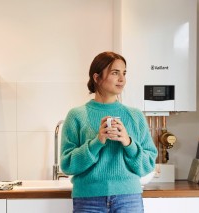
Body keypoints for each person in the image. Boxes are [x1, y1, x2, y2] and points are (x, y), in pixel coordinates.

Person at [60, 51, 158, 213]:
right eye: (115, 73)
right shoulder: (76, 115)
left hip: (128, 198)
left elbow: (147, 165)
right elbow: (68, 165)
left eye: (124, 73)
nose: (122, 79)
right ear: (96, 77)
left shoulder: (135, 116)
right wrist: (97, 142)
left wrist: (128, 142)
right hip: (88, 199)